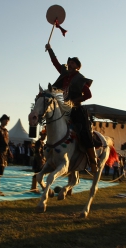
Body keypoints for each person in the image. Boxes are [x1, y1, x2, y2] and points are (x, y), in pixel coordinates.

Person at [45, 43, 97, 172]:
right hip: (64, 109)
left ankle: (93, 160)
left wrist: (73, 101)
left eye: (73, 63)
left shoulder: (80, 79)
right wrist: (50, 50)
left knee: (84, 133)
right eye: (69, 62)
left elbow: (89, 94)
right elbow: (55, 63)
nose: (70, 64)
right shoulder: (64, 74)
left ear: (78, 67)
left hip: (76, 110)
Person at [30, 129, 47, 193]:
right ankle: (33, 187)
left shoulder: (42, 142)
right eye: (44, 135)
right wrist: (40, 159)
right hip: (38, 160)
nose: (45, 136)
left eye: (45, 135)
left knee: (39, 173)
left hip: (41, 160)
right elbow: (37, 152)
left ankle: (36, 187)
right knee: (37, 173)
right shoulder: (39, 142)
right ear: (41, 135)